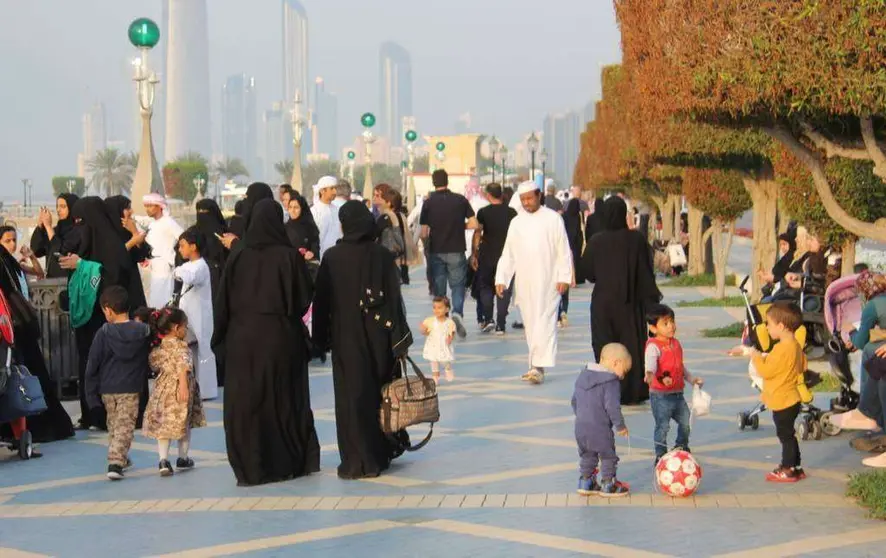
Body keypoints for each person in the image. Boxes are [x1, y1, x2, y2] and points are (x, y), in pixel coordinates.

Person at [212, 199, 320, 486]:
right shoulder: (289, 257)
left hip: (242, 338)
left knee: (247, 401)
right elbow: (303, 299)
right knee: (282, 398)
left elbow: (222, 301)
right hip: (280, 337)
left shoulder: (238, 255)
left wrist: (222, 337)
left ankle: (250, 464)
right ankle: (285, 460)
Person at [312, 200, 412, 479]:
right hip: (379, 339)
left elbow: (321, 302)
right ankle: (379, 454)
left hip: (347, 338)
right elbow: (394, 299)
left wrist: (319, 341)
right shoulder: (381, 255)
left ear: (344, 225)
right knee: (379, 395)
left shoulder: (333, 257)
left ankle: (356, 460)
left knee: (350, 398)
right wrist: (399, 340)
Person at [60, 197, 137, 431]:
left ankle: (107, 415)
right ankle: (90, 413)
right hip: (88, 319)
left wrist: (82, 264)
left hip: (107, 319)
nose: (79, 226)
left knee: (104, 364)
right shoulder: (89, 240)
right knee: (88, 364)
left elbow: (112, 278)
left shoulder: (112, 246)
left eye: (82, 221)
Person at [581, 196, 662, 405]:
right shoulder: (635, 240)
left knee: (604, 346)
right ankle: (632, 391)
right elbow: (646, 271)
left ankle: (607, 391)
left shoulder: (596, 241)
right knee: (632, 346)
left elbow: (588, 273)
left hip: (603, 303)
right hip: (630, 303)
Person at [495, 180, 573, 385]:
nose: (527, 202)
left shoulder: (553, 219)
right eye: (523, 200)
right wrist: (502, 278)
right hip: (526, 282)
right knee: (531, 324)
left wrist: (564, 277)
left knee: (545, 322)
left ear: (539, 195)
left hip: (549, 281)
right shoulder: (516, 223)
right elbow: (508, 253)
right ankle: (535, 365)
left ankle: (538, 366)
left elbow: (563, 250)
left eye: (530, 198)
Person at [0, 227, 74, 443]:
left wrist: (31, 256)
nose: (11, 245)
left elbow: (38, 273)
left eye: (13, 240)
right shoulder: (5, 263)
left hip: (17, 328)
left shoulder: (10, 263)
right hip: (15, 328)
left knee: (21, 376)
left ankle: (25, 429)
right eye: (7, 241)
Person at [83, 286, 152, 480]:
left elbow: (92, 366)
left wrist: (91, 398)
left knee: (115, 425)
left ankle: (119, 457)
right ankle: (116, 461)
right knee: (123, 426)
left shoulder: (103, 333)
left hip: (108, 388)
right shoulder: (143, 331)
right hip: (131, 387)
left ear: (108, 309)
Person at [143, 307, 207, 477]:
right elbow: (183, 367)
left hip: (162, 390)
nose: (186, 330)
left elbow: (153, 364)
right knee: (183, 424)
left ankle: (163, 460)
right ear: (176, 328)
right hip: (180, 390)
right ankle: (183, 458)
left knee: (163, 425)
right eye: (185, 326)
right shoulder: (182, 347)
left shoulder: (158, 348)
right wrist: (184, 386)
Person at [748, 302, 806, 482]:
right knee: (789, 434)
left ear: (781, 327)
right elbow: (802, 365)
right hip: (792, 398)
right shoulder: (794, 344)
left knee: (785, 436)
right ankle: (796, 466)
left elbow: (765, 371)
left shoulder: (781, 348)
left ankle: (787, 468)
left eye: (769, 324)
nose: (766, 327)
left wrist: (755, 356)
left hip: (782, 400)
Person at [420, 170, 478, 338]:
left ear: (433, 182)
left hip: (437, 251)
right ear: (447, 181)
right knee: (458, 285)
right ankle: (457, 314)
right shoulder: (460, 200)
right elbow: (474, 223)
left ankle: (442, 319)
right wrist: (460, 227)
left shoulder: (428, 203)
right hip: (457, 249)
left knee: (439, 287)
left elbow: (424, 232)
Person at [645, 304, 704, 464]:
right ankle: (660, 454)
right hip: (661, 396)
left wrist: (691, 379)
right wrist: (650, 374)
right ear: (653, 328)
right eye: (665, 323)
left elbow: (680, 366)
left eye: (672, 321)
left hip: (678, 394)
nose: (671, 326)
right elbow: (651, 364)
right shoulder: (653, 346)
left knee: (686, 422)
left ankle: (681, 446)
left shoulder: (675, 343)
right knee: (662, 427)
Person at [573, 343, 631, 497]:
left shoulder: (582, 376)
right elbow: (612, 407)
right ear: (615, 363)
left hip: (580, 427)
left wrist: (582, 416)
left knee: (587, 454)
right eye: (624, 371)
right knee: (608, 455)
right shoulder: (610, 382)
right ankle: (608, 484)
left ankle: (586, 482)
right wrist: (620, 426)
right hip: (600, 428)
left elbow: (574, 401)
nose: (623, 376)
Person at [174, 228, 217, 400]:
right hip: (188, 314)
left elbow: (189, 277)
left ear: (193, 247)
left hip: (200, 315)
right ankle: (192, 387)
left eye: (183, 245)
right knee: (189, 350)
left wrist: (177, 271)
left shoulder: (201, 266)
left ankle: (206, 389)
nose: (180, 249)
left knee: (203, 350)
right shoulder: (188, 265)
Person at [473, 183, 517, 335]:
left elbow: (478, 233)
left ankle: (488, 318)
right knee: (503, 288)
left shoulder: (483, 212)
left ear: (488, 195)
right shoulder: (512, 213)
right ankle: (501, 324)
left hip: (487, 255)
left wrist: (474, 253)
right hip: (506, 256)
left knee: (485, 287)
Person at [104, 196, 149, 310]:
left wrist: (134, 232)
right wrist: (133, 240)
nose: (131, 211)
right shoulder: (106, 233)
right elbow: (113, 256)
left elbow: (141, 256)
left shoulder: (127, 230)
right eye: (127, 208)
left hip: (132, 284)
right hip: (116, 285)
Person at [141, 193, 184, 308]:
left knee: (163, 300)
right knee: (154, 301)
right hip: (153, 265)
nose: (147, 209)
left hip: (164, 265)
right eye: (146, 206)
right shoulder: (152, 224)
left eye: (150, 206)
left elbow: (183, 238)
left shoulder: (168, 222)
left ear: (159, 206)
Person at [29, 193, 80, 277]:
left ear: (72, 208)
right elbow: (37, 251)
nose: (58, 210)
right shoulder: (55, 231)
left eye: (63, 207)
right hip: (51, 284)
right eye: (57, 206)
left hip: (69, 282)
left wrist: (48, 227)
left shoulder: (78, 231)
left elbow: (61, 252)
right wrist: (40, 226)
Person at [222, 182, 274, 251]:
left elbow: (256, 254)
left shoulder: (261, 227)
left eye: (247, 197)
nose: (244, 201)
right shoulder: (248, 224)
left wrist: (235, 244)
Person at [421, 296, 456, 384]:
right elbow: (425, 332)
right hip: (433, 346)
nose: (436, 310)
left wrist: (450, 339)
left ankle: (448, 369)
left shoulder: (449, 322)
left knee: (445, 361)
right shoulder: (430, 321)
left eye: (439, 308)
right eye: (434, 307)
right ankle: (435, 378)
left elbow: (452, 332)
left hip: (443, 345)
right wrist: (423, 330)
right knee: (434, 362)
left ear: (447, 309)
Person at [374, 184, 407, 270]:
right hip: (397, 257)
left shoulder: (386, 217)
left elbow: (374, 234)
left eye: (378, 196)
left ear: (388, 202)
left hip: (387, 257)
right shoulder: (400, 215)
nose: (375, 199)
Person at [311, 175, 343, 260]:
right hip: (321, 257)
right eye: (332, 188)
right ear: (322, 191)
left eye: (335, 188)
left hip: (338, 256)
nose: (335, 192)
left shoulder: (338, 210)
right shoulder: (314, 211)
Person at [285, 192, 320, 262]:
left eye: (296, 207)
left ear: (302, 209)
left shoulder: (310, 228)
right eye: (290, 207)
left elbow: (315, 245)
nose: (292, 211)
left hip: (306, 267)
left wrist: (312, 253)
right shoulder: (284, 228)